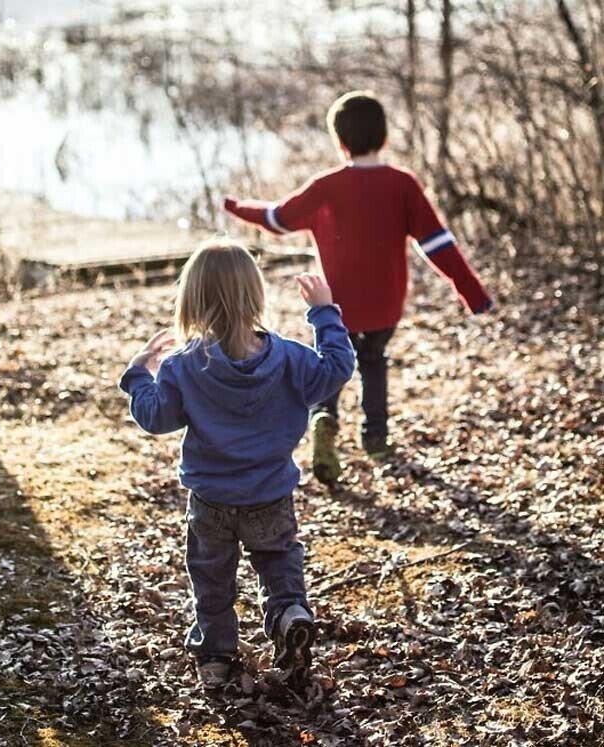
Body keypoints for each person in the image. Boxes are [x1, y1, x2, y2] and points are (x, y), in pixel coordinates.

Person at [118, 240, 355, 691]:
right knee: (278, 561)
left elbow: (154, 417)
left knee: (211, 579)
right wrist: (324, 312)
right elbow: (336, 369)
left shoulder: (182, 367)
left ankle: (216, 657)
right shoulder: (288, 357)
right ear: (256, 295)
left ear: (192, 300)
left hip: (211, 500)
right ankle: (290, 615)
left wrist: (137, 372)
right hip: (270, 492)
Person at [223, 90, 493, 485]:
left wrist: (237, 206)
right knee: (374, 363)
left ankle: (324, 418)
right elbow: (437, 243)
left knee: (331, 364)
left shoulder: (326, 186)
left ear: (340, 141)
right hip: (385, 304)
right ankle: (377, 439)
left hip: (336, 304)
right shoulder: (402, 184)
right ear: (383, 137)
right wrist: (472, 291)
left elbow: (277, 219)